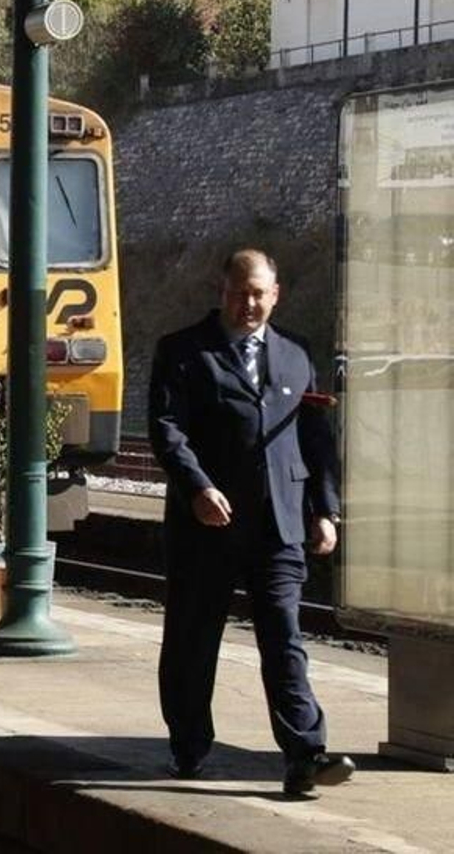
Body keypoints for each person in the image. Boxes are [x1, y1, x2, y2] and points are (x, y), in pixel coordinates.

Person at [148, 249, 354, 796]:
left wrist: (325, 510)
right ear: (223, 292)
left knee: (285, 639)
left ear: (276, 294)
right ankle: (188, 746)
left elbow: (316, 440)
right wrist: (198, 486)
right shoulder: (184, 352)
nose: (250, 304)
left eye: (259, 294)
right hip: (207, 527)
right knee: (193, 641)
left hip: (278, 528)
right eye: (240, 293)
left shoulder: (295, 355)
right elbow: (168, 430)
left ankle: (306, 755)